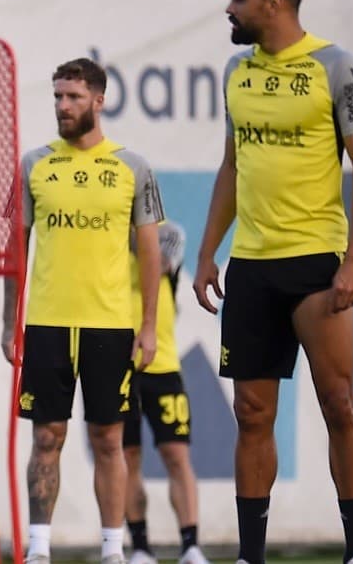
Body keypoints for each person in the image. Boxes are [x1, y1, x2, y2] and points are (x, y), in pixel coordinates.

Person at [192, 0, 353, 564]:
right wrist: (206, 253)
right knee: (252, 414)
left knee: (339, 405)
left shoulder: (337, 68)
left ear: (275, 4)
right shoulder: (235, 71)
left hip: (316, 266)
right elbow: (232, 165)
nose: (230, 8)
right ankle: (251, 556)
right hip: (251, 266)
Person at [1, 57, 164, 564]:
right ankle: (39, 550)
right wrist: (11, 323)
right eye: (56, 97)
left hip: (111, 325)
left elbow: (150, 252)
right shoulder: (34, 164)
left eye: (71, 97)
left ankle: (114, 550)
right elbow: (15, 249)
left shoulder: (132, 167)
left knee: (109, 439)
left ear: (99, 99)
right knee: (46, 436)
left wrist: (150, 326)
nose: (62, 106)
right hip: (47, 322)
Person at [122, 220, 210, 564]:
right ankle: (140, 547)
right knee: (127, 458)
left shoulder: (169, 232)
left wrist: (128, 230)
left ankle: (190, 545)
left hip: (163, 364)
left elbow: (157, 258)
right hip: (120, 366)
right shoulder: (110, 233)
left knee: (177, 455)